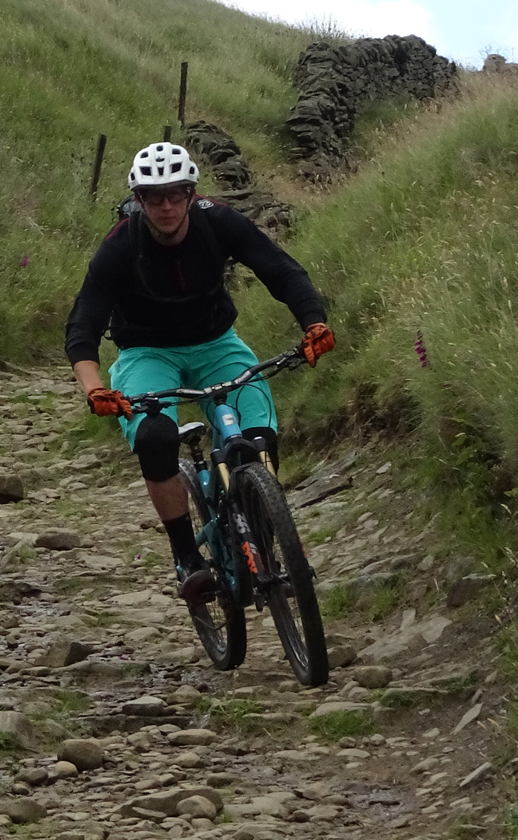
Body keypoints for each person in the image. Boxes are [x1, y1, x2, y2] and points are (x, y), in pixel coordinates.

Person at [65, 141, 335, 602]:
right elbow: (83, 325)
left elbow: (281, 271)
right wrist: (94, 388)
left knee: (259, 435)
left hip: (217, 344)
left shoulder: (219, 222)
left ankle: (267, 545)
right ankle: (187, 557)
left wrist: (314, 322)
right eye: (154, 197)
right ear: (138, 200)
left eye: (176, 193)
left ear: (192, 194)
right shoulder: (120, 245)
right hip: (147, 353)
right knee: (155, 436)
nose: (166, 206)